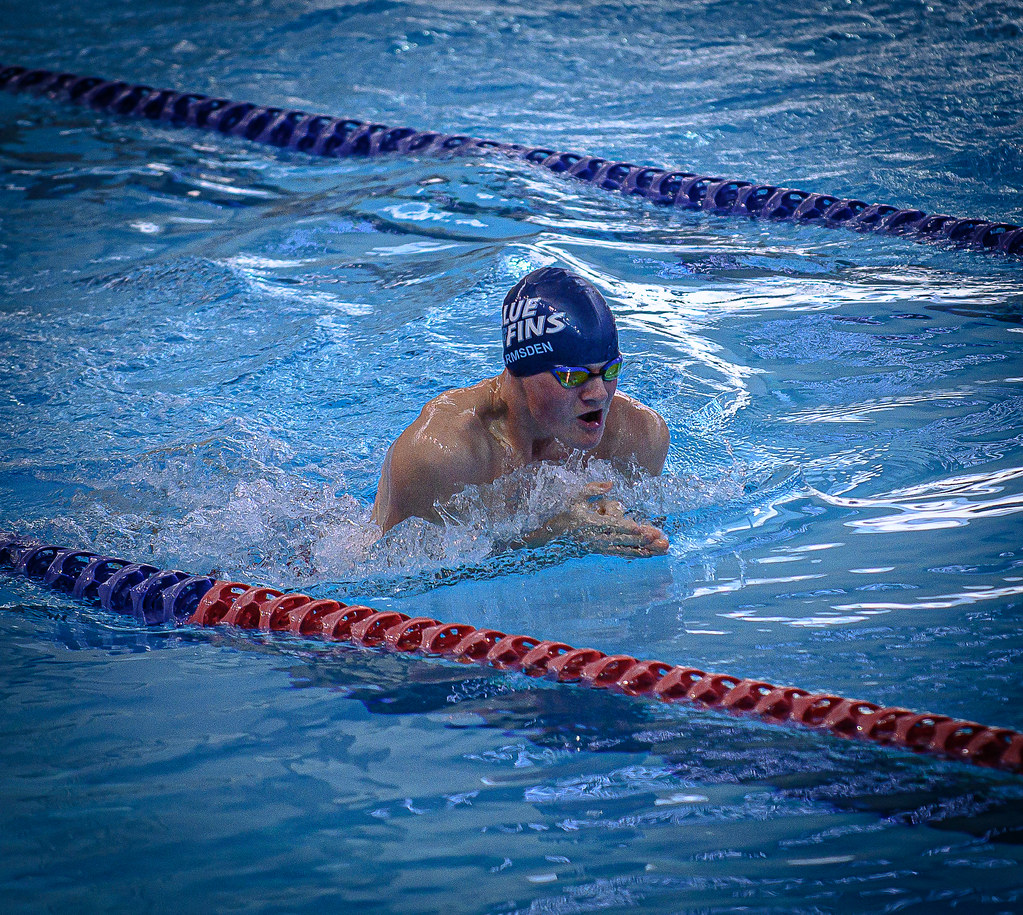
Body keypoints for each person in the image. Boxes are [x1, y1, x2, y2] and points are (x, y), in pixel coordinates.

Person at [372, 266, 670, 557]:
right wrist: (556, 534)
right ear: (521, 369)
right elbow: (403, 580)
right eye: (573, 376)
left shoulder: (638, 437)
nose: (598, 394)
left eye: (609, 371)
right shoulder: (439, 456)